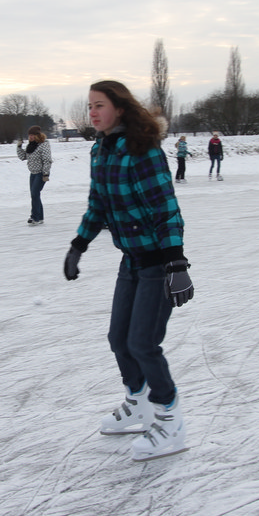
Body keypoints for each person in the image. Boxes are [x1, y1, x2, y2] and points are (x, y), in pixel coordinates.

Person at [63, 80, 194, 462]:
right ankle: (139, 404)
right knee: (119, 340)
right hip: (131, 261)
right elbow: (98, 205)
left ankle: (170, 420)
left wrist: (176, 263)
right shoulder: (100, 150)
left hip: (157, 261)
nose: (92, 112)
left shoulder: (143, 149)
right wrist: (78, 244)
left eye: (99, 105)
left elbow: (166, 209)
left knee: (143, 344)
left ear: (119, 108)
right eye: (90, 106)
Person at [16, 125, 52, 225]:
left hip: (41, 173)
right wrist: (19, 147)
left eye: (32, 135)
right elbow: (23, 157)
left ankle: (35, 218)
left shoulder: (43, 145)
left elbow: (47, 160)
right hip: (33, 173)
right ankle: (40, 218)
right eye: (29, 135)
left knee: (35, 194)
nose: (30, 137)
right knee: (35, 195)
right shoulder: (31, 145)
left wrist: (45, 173)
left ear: (38, 135)